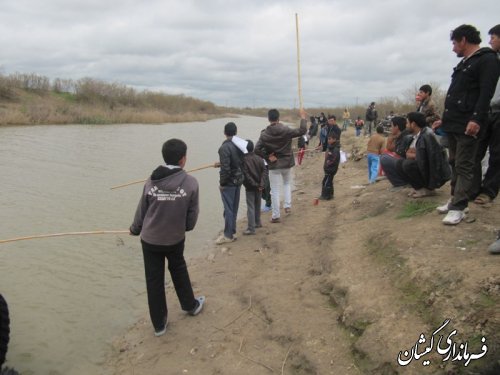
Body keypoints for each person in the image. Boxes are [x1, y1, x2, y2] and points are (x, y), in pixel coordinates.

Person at [129, 138, 204, 337]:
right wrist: (186, 227)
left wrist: (135, 229)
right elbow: (192, 214)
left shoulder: (151, 182)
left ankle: (159, 325)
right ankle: (191, 306)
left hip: (150, 239)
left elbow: (141, 211)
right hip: (175, 238)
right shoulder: (190, 183)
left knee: (154, 280)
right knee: (179, 270)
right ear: (183, 159)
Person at [433, 24, 500, 225]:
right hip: (454, 122)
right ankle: (455, 198)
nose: (453, 48)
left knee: (464, 164)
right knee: (454, 161)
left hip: (467, 122)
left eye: (454, 43)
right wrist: (444, 119)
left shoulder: (487, 60)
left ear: (463, 40)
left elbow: (486, 93)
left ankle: (460, 207)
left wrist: (476, 118)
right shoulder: (465, 63)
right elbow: (457, 93)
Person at [255, 108, 307, 223]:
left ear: (269, 119)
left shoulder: (264, 134)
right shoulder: (286, 130)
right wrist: (303, 117)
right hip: (287, 163)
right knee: (287, 184)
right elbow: (302, 130)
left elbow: (256, 149)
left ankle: (275, 215)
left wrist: (268, 156)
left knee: (274, 190)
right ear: (278, 118)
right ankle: (287, 206)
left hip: (274, 165)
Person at [472, 24, 500, 208]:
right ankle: (472, 188)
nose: (490, 41)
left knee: (497, 155)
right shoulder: (491, 60)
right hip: (487, 111)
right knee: (475, 151)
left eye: (493, 37)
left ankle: (488, 191)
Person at [395, 112, 451, 198]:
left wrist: (413, 155)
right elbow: (407, 152)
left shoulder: (427, 135)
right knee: (399, 163)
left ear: (413, 124)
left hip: (433, 172)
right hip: (423, 167)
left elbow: (428, 159)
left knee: (407, 164)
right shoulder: (415, 136)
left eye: (407, 123)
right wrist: (410, 153)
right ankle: (419, 188)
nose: (406, 125)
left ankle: (428, 189)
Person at [215, 122, 245, 244]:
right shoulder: (240, 145)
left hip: (229, 183)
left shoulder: (224, 148)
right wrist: (221, 163)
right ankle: (232, 231)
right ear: (236, 132)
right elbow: (237, 162)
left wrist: (222, 184)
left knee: (228, 209)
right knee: (234, 207)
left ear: (224, 133)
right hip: (238, 180)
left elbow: (226, 170)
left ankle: (228, 235)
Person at [380, 116, 413, 189]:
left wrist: (390, 140)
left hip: (408, 164)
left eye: (391, 126)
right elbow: (391, 149)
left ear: (396, 127)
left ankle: (400, 183)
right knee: (385, 155)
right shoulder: (400, 136)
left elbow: (399, 152)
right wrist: (391, 139)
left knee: (384, 158)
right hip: (405, 163)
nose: (390, 128)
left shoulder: (406, 136)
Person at [242, 140, 265, 235]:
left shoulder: (244, 160)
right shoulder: (259, 158)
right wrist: (261, 184)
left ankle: (251, 228)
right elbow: (265, 172)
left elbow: (246, 176)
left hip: (251, 187)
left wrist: (256, 185)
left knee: (251, 207)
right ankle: (258, 222)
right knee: (257, 204)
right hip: (259, 187)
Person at [319, 134, 340, 200]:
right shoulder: (330, 147)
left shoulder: (335, 149)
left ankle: (325, 196)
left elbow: (334, 159)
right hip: (328, 169)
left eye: (330, 139)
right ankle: (330, 195)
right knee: (329, 181)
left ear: (334, 139)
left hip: (331, 169)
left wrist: (328, 164)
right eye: (328, 139)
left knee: (326, 182)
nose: (328, 140)